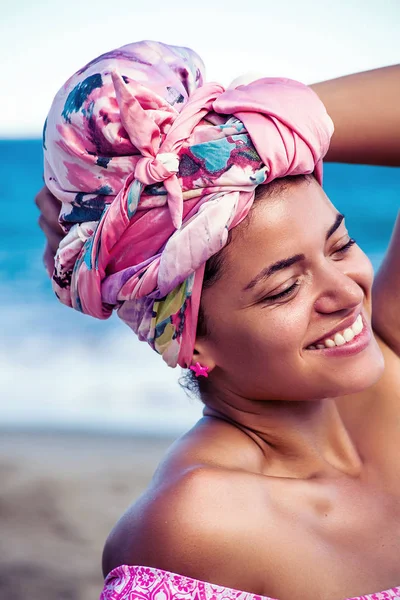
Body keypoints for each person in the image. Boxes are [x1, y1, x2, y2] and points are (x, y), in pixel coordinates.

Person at [35, 40, 400, 600]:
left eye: (341, 245)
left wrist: (235, 132)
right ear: (191, 341)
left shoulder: (385, 371)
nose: (344, 293)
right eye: (284, 288)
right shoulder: (196, 525)